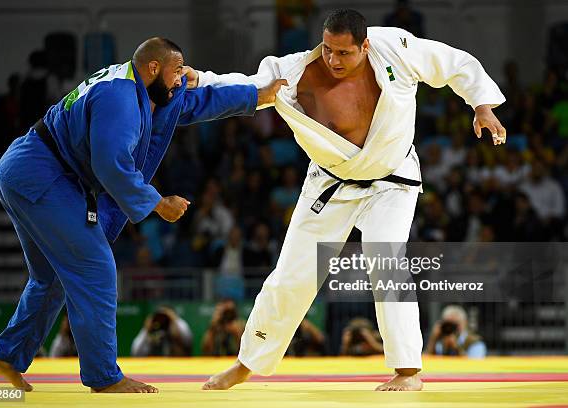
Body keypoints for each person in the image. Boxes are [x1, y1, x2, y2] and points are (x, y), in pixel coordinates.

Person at [187, 9, 506, 391]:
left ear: (365, 45)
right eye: (328, 50)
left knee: (384, 255)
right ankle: (246, 363)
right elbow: (247, 83)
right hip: (330, 182)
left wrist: (481, 105)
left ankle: (407, 370)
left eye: (344, 53)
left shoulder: (396, 48)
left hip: (392, 179)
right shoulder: (296, 70)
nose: (333, 60)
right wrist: (203, 79)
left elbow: (453, 62)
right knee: (292, 274)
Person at [0, 37, 286, 393]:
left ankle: (7, 355)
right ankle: (103, 376)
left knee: (50, 276)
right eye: (176, 70)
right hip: (41, 173)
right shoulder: (120, 99)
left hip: (32, 170)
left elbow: (198, 101)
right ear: (153, 68)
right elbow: (112, 167)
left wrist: (257, 97)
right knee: (94, 266)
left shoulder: (149, 90)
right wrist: (159, 203)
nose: (182, 78)